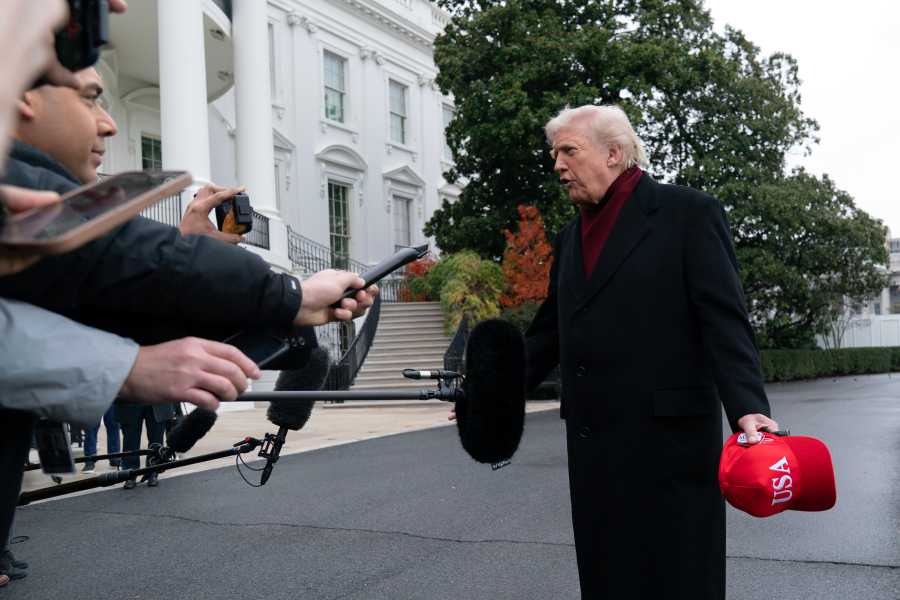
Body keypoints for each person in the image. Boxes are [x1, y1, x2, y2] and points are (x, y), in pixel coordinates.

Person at [456, 105, 777, 600]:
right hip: (595, 451)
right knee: (610, 582)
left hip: (670, 452)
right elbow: (547, 335)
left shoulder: (689, 213)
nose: (558, 166)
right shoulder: (568, 238)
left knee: (677, 582)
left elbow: (724, 321)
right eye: (554, 153)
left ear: (614, 153)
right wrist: (487, 397)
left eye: (569, 151)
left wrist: (748, 408)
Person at [81, 406, 121, 473]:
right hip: (94, 398)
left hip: (112, 397)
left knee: (114, 425)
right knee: (91, 427)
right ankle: (89, 460)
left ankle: (114, 458)